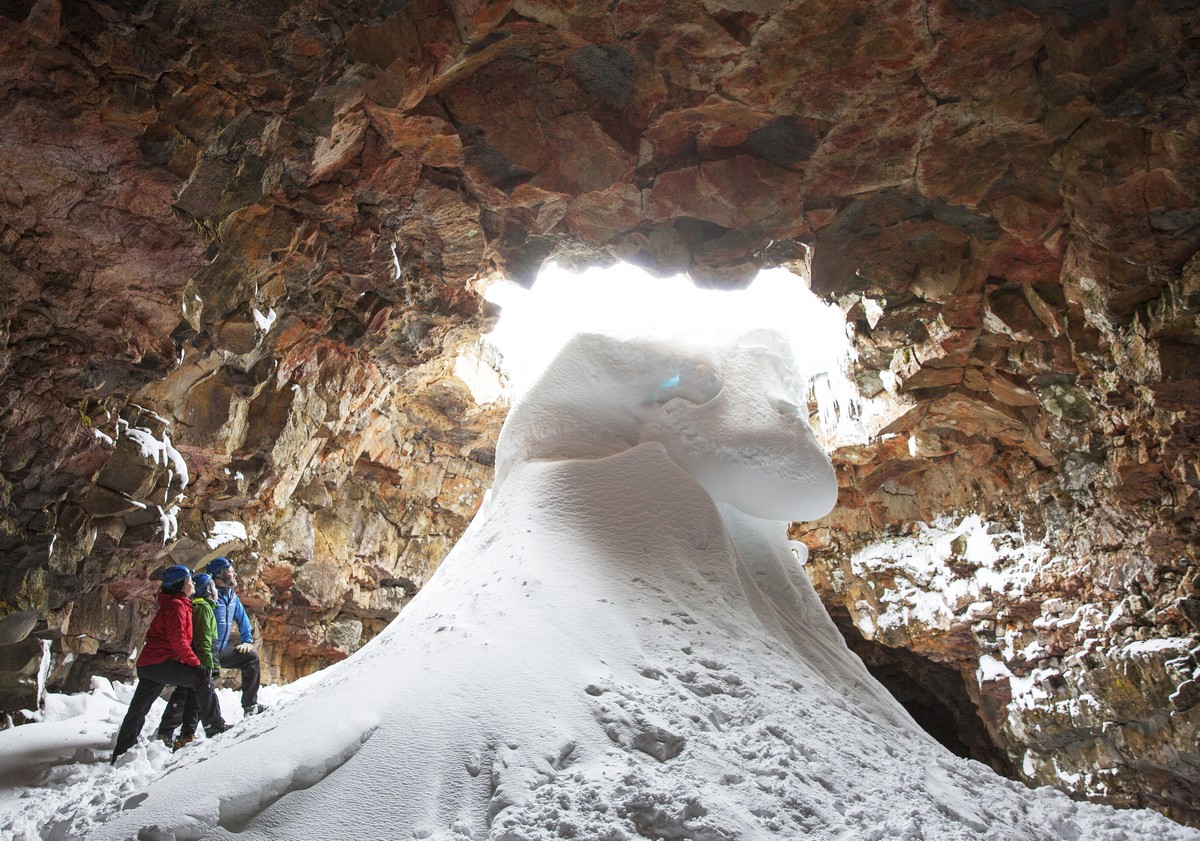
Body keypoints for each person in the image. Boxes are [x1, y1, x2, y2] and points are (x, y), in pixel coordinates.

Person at [110, 565, 231, 763]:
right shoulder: (176, 606)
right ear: (180, 585)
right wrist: (195, 663)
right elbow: (178, 640)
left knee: (139, 708)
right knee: (201, 679)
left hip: (149, 664)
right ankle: (214, 725)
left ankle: (122, 751)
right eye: (189, 581)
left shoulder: (176, 604)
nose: (193, 584)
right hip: (161, 663)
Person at [156, 572, 222, 751]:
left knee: (192, 696)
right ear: (206, 589)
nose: (216, 591)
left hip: (197, 658)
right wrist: (207, 663)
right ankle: (172, 731)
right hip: (197, 659)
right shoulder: (202, 607)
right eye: (212, 587)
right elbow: (203, 639)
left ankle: (185, 733)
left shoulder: (202, 606)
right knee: (188, 694)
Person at [205, 556, 267, 715]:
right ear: (219, 575)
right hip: (205, 650)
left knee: (251, 658)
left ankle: (250, 706)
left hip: (220, 649)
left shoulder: (231, 596)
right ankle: (171, 726)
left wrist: (247, 640)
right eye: (230, 571)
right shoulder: (208, 596)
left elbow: (243, 618)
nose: (234, 574)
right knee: (198, 686)